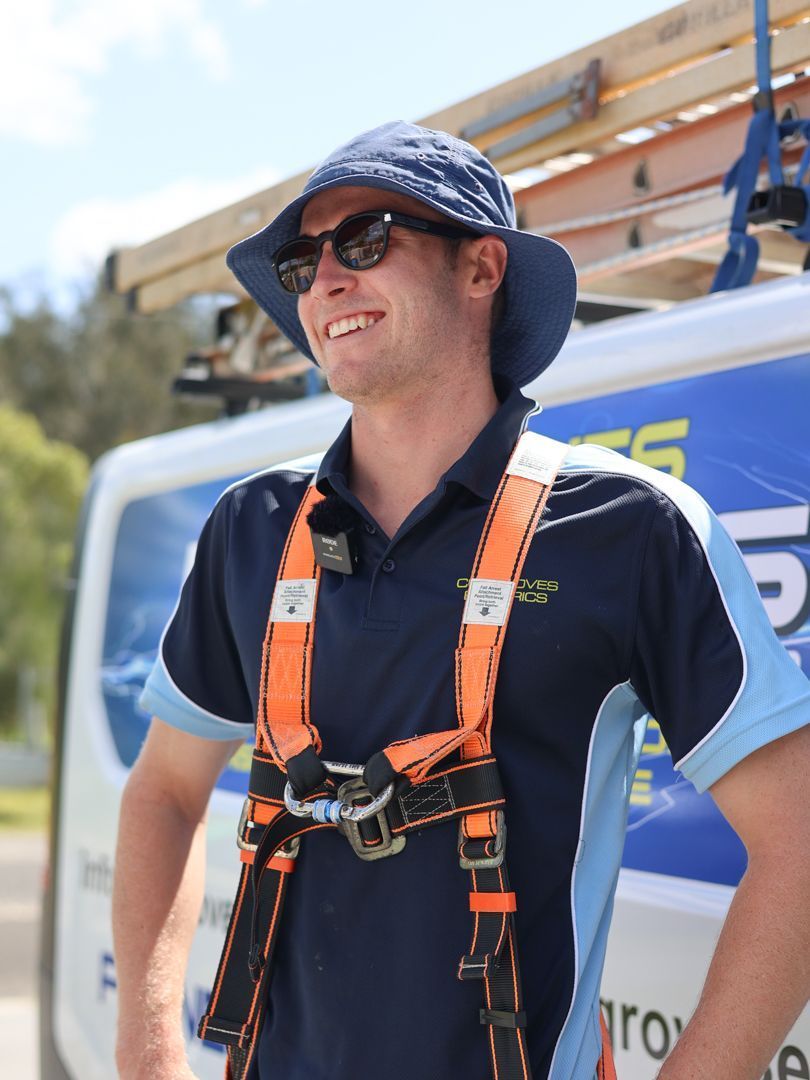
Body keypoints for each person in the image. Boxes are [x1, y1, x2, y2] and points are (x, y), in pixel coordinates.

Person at [112, 121, 810, 1080]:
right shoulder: (252, 529)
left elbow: (799, 842)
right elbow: (163, 792)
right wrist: (148, 1058)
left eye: (363, 241)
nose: (323, 281)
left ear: (482, 268)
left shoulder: (631, 528)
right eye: (300, 259)